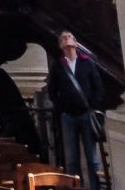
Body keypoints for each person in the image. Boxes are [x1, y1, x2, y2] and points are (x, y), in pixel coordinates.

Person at [47, 30, 103, 190]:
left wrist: (92, 105)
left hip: (86, 114)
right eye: (63, 38)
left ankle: (95, 187)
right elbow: (52, 90)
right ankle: (76, 187)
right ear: (60, 45)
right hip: (68, 116)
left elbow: (98, 87)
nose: (66, 39)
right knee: (71, 158)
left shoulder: (87, 63)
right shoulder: (58, 66)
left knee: (92, 158)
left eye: (69, 37)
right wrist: (62, 106)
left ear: (76, 43)